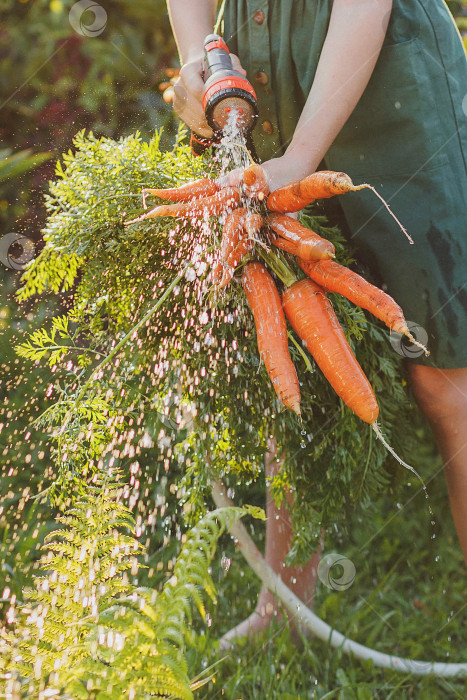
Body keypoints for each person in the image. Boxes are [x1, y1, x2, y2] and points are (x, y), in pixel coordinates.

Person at [166, 0, 467, 646]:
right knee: (296, 345)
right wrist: (198, 57)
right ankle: (286, 612)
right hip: (260, 51)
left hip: (384, 68)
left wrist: (302, 157)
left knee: (446, 378)